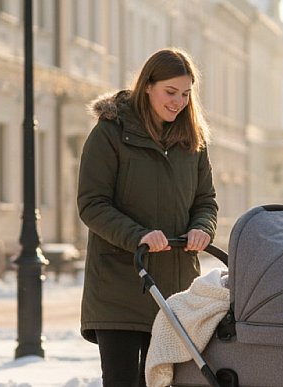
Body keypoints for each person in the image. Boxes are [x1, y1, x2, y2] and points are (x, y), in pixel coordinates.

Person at [77, 48, 218, 387]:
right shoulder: (110, 133)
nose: (178, 102)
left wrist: (202, 228)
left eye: (185, 94)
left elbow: (205, 201)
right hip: (119, 284)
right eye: (170, 92)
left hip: (174, 290)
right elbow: (92, 203)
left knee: (165, 381)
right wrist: (137, 235)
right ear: (147, 86)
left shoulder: (193, 142)